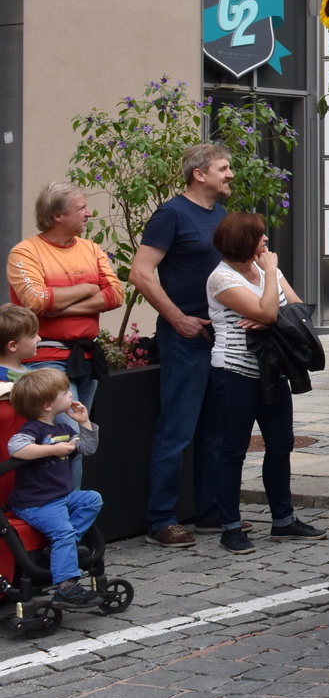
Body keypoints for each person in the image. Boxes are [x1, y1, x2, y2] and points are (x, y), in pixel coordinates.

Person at [130, 144, 232, 549]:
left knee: (216, 432)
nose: (230, 175)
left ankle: (208, 512)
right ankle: (162, 520)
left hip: (220, 337)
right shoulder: (171, 214)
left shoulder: (221, 216)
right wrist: (177, 318)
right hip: (185, 338)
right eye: (223, 168)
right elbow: (141, 273)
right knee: (176, 431)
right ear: (199, 174)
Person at [206, 212, 325, 552]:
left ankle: (283, 520)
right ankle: (230, 526)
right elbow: (272, 312)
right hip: (234, 373)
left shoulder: (264, 271)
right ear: (244, 241)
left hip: (273, 371)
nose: (266, 241)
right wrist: (270, 295)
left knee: (281, 444)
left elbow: (299, 309)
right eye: (260, 236)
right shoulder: (221, 279)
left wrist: (268, 315)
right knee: (233, 450)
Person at [7, 182, 121, 483]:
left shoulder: (91, 248)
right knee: (64, 438)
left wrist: (57, 304)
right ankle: (64, 517)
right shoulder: (25, 252)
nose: (89, 213)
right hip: (47, 360)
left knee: (77, 438)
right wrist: (87, 287)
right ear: (57, 215)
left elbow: (115, 294)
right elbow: (35, 301)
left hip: (85, 357)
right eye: (81, 207)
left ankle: (68, 513)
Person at [6, 368, 103, 611]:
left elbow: (88, 449)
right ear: (49, 405)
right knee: (64, 533)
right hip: (36, 502)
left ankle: (59, 551)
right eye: (64, 392)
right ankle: (66, 588)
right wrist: (52, 450)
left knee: (92, 499)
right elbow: (16, 449)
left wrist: (84, 422)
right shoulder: (33, 430)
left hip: (61, 497)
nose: (70, 393)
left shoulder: (64, 430)